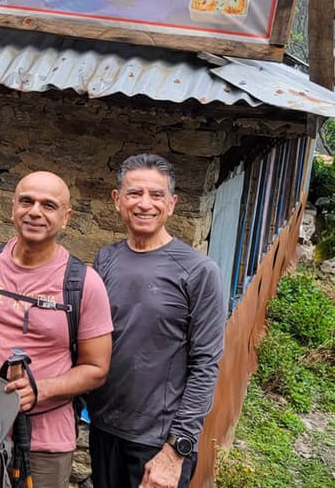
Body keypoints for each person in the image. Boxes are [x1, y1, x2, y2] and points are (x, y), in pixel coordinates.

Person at [0, 171, 113, 488]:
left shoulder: (83, 284)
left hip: (42, 444)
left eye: (49, 205)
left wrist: (41, 390)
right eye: (27, 201)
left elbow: (97, 368)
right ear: (13, 208)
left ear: (65, 218)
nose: (35, 211)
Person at [87, 154, 226, 488]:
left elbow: (206, 364)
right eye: (134, 193)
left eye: (157, 195)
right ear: (117, 200)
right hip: (104, 429)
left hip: (157, 442)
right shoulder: (107, 259)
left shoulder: (198, 271)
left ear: (173, 204)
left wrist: (176, 449)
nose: (144, 204)